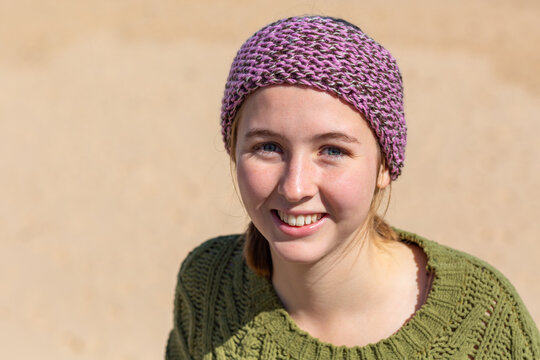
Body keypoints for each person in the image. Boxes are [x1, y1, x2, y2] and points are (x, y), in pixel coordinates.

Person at [166, 15, 540, 359]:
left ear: (384, 166)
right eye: (268, 147)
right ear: (234, 152)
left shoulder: (482, 318)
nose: (295, 187)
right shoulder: (209, 286)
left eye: (332, 150)